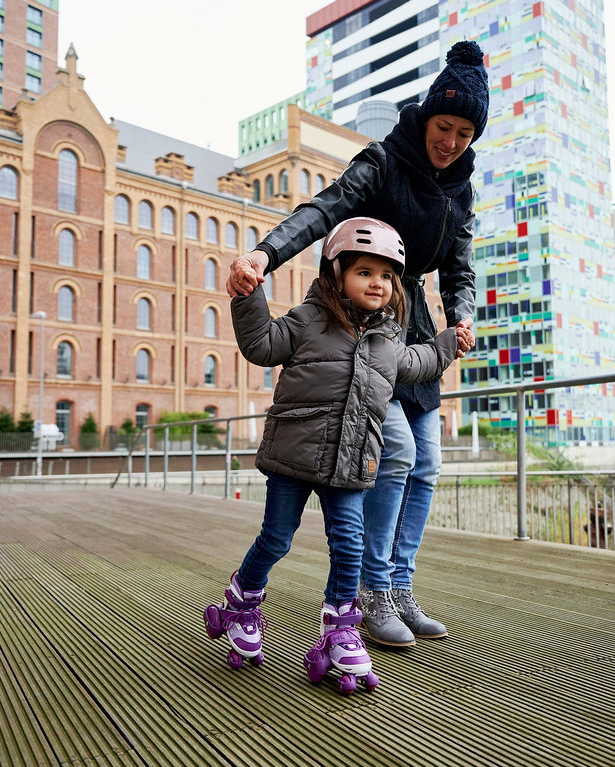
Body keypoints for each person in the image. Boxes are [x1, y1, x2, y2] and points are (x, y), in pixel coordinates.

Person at [228, 40, 489, 647]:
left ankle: (399, 587)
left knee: (426, 464)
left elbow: (460, 268)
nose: (451, 142)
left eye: (464, 133)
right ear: (427, 118)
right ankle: (371, 592)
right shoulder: (384, 161)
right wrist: (265, 255)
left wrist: (462, 318)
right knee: (394, 452)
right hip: (358, 325)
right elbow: (323, 211)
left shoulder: (461, 189)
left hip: (412, 328)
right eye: (444, 127)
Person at [204, 217, 468, 694]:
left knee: (348, 544)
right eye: (364, 272)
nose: (378, 283)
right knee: (276, 538)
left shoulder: (390, 340)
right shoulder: (309, 319)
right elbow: (261, 344)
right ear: (336, 272)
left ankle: (341, 629)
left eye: (386, 275)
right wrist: (247, 295)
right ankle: (242, 601)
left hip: (350, 461)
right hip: (293, 456)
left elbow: (418, 363)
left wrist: (449, 344)